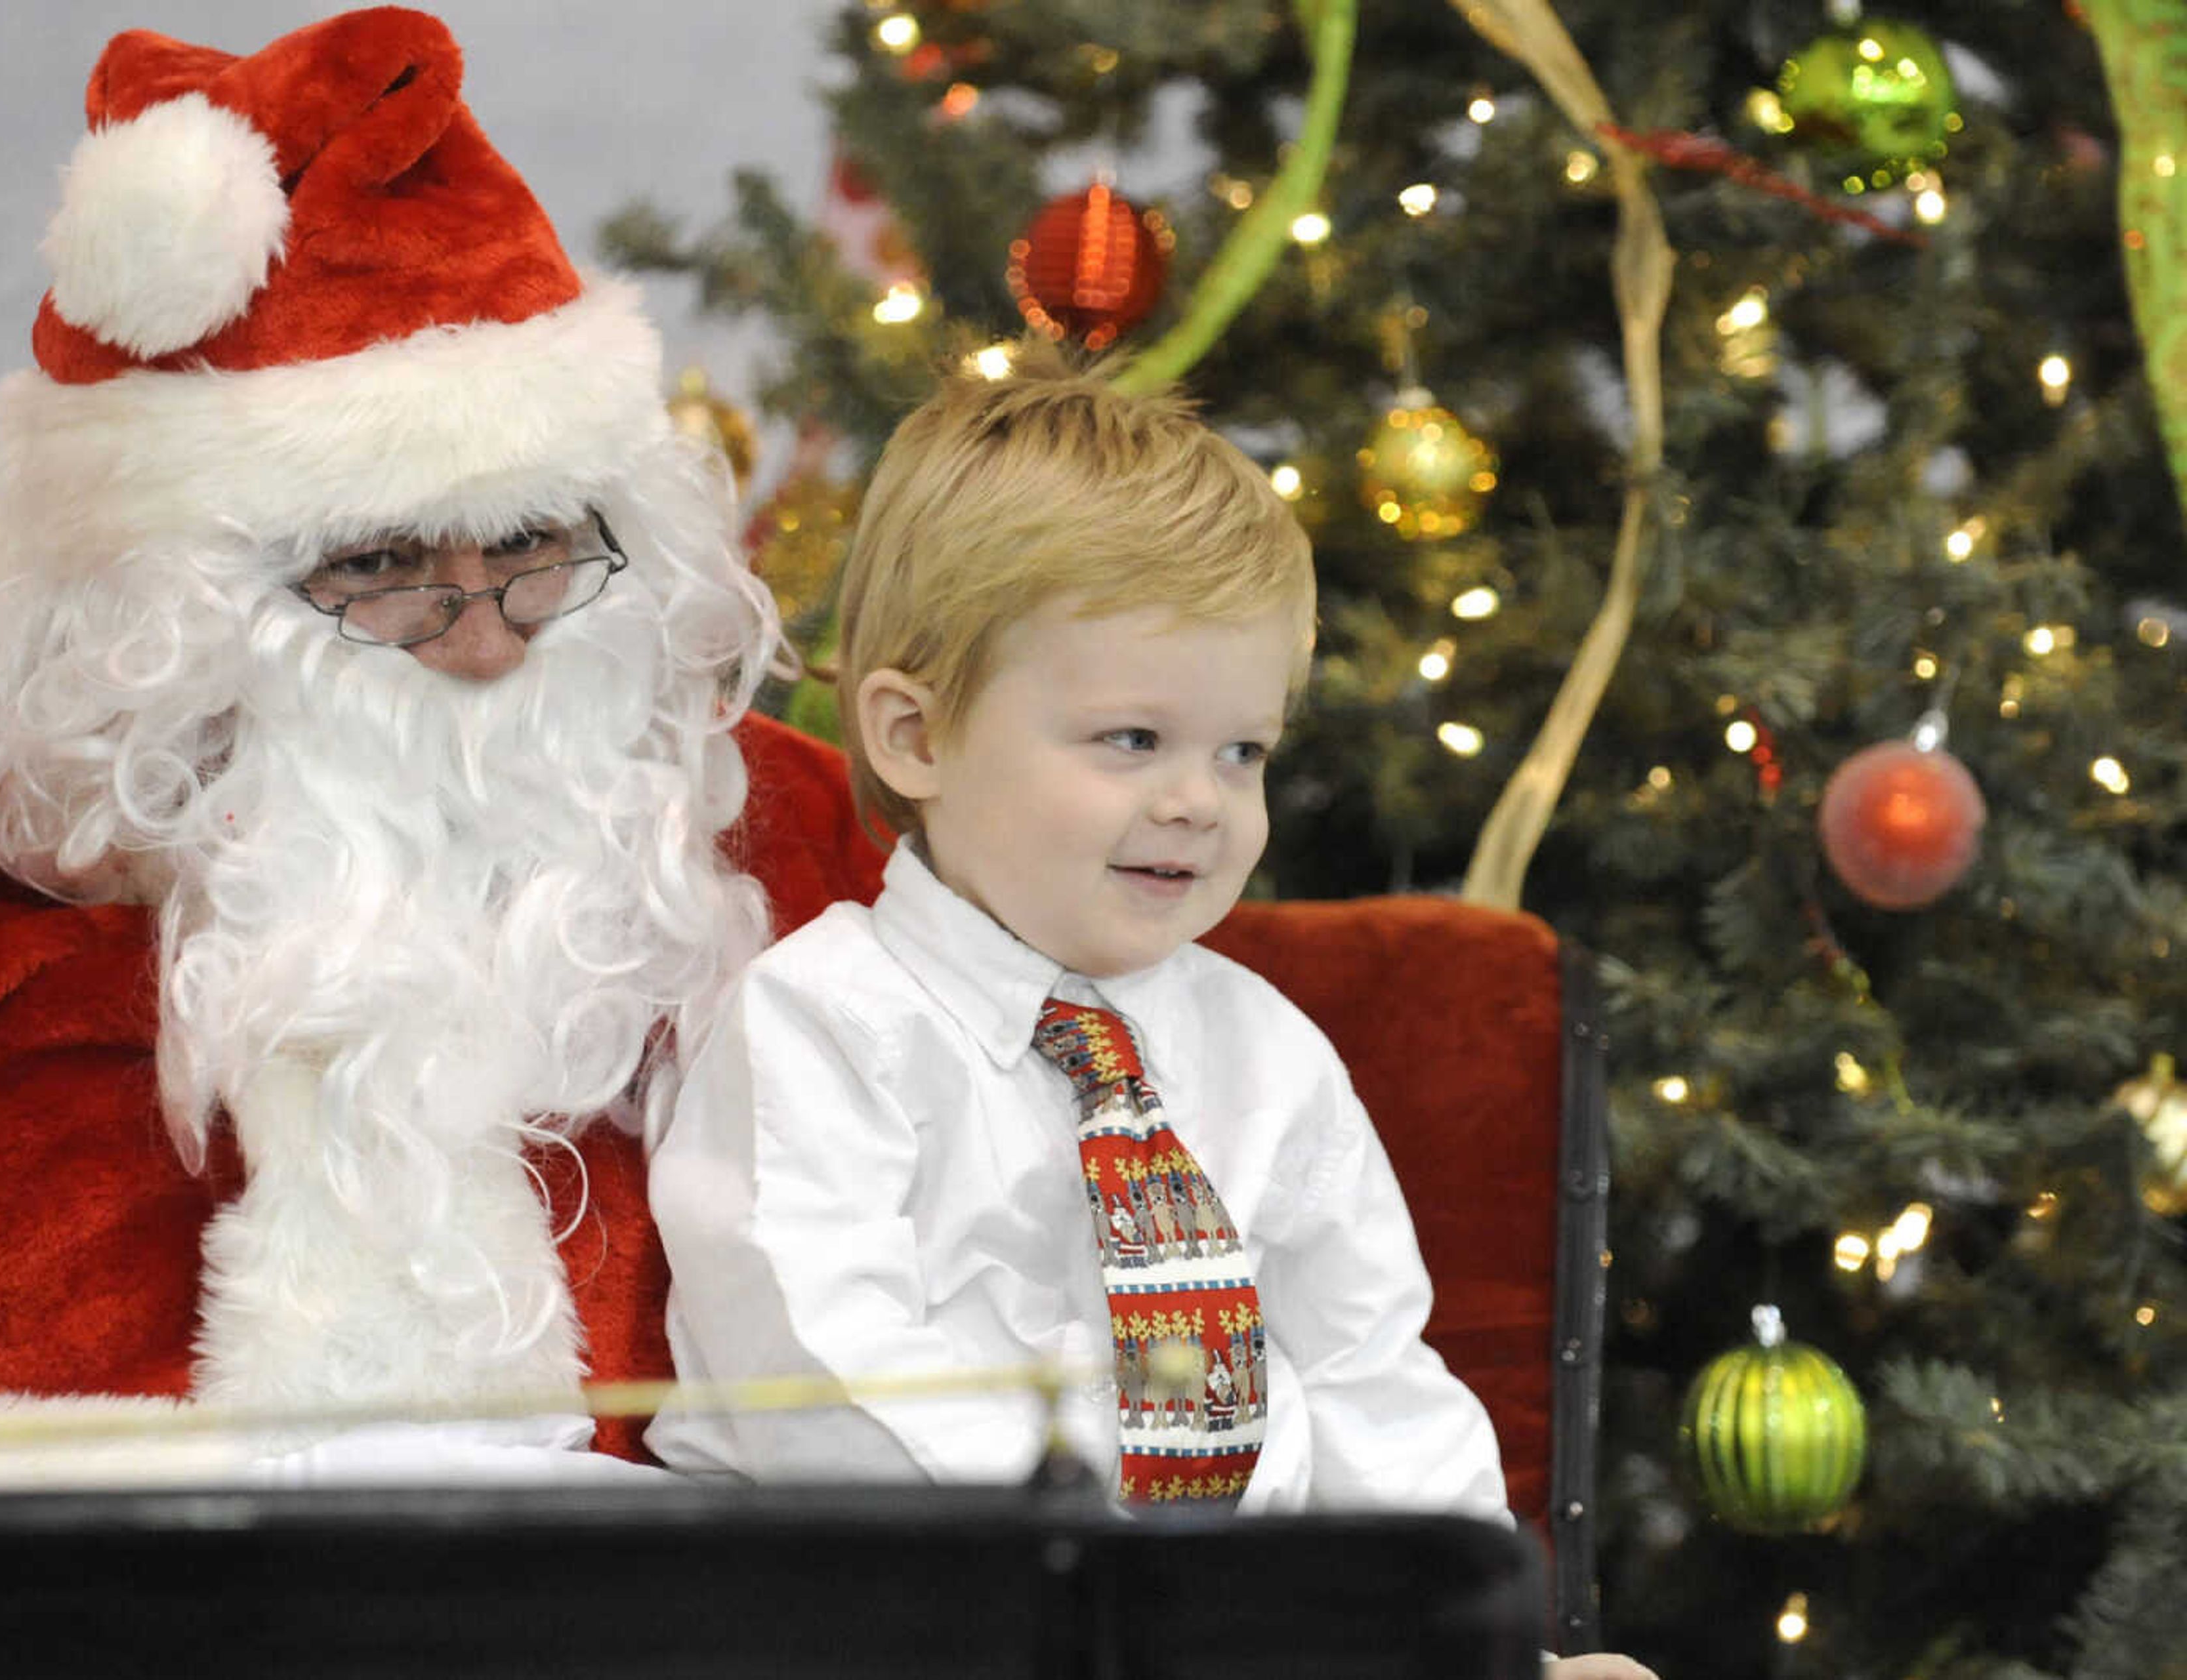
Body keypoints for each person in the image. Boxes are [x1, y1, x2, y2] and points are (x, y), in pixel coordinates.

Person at [0, 7, 883, 1489]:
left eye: (536, 546)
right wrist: (51, 1535)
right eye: (378, 565)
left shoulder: (786, 829)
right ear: (157, 602)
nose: (488, 640)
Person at [645, 352, 1656, 1677]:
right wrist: (1110, 1578)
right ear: (913, 736)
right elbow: (828, 1391)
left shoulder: (1265, 1056)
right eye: (1133, 741)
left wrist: (1472, 1639)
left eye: (1243, 752)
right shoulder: (820, 1026)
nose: (1200, 802)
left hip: (1234, 1630)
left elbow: (1371, 1375)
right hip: (903, 1621)